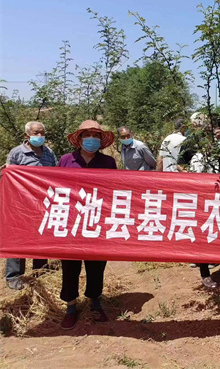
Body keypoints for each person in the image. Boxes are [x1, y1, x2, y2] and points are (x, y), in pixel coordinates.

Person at [58, 120, 117, 330]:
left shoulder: (108, 162)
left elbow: (115, 189)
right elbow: (55, 186)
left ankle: (95, 302)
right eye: (87, 135)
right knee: (70, 265)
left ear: (101, 140)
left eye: (96, 136)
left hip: (97, 221)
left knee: (96, 264)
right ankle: (71, 307)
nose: (91, 139)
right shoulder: (66, 160)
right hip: (71, 221)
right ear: (80, 138)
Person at [4, 121, 57, 290]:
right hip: (21, 203)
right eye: (36, 133)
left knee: (40, 236)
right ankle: (14, 276)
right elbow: (9, 175)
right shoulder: (17, 152)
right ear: (27, 135)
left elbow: (56, 173)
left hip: (43, 202)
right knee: (18, 238)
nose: (39, 136)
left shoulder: (49, 153)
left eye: (42, 133)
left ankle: (40, 270)